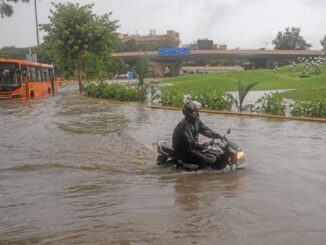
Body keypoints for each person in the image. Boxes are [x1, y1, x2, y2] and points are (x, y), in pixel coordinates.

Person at [172, 101, 223, 168]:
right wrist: (201, 146)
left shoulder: (196, 122)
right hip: (183, 150)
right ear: (189, 113)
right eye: (195, 111)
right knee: (203, 159)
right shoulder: (184, 125)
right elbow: (189, 142)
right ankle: (198, 175)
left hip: (192, 147)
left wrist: (218, 136)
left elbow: (206, 130)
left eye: (197, 111)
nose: (197, 113)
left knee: (213, 153)